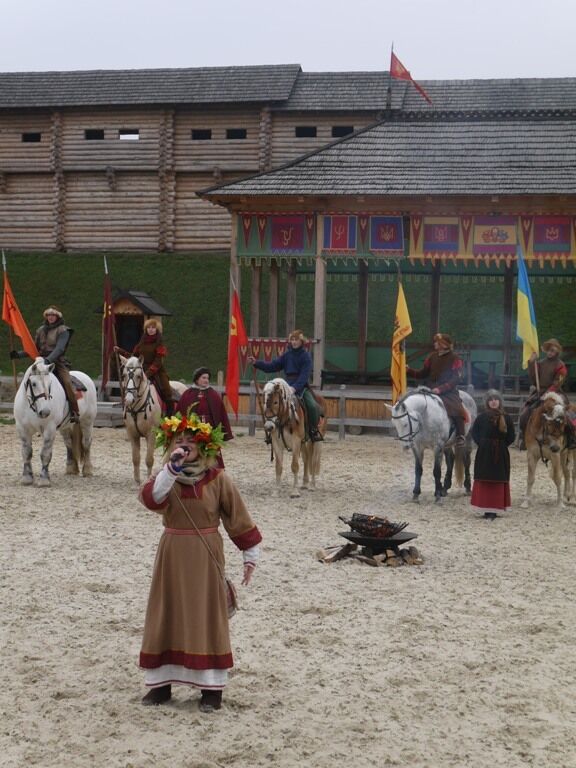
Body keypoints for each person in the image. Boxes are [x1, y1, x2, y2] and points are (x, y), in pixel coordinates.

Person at [138, 409, 262, 711]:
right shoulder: (167, 477)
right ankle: (160, 686)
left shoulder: (218, 479)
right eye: (179, 440)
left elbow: (238, 518)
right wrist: (171, 468)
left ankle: (211, 690)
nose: (184, 444)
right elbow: (152, 499)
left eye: (190, 440)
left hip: (206, 555)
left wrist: (250, 555)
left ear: (204, 445)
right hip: (173, 553)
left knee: (206, 616)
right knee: (167, 613)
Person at [247, 329, 323, 442]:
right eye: (292, 339)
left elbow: (304, 375)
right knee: (273, 404)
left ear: (301, 341)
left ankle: (313, 431)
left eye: (296, 339)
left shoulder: (306, 356)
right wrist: (256, 363)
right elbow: (272, 366)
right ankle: (272, 433)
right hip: (286, 385)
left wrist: (295, 387)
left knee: (312, 406)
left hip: (301, 386)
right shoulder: (287, 355)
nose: (294, 342)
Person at [10, 305, 79, 422]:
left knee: (67, 382)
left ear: (57, 316)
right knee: (30, 381)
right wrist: (18, 354)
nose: (50, 317)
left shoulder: (64, 330)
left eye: (53, 315)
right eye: (48, 315)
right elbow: (34, 349)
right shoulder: (40, 330)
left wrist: (48, 360)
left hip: (57, 362)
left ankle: (74, 411)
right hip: (40, 362)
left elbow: (60, 349)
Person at [406, 333, 466, 445]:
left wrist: (441, 389)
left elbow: (456, 378)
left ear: (443, 344)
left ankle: (460, 435)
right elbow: (423, 373)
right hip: (430, 389)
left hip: (448, 391)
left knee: (457, 408)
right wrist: (409, 370)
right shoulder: (431, 356)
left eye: (437, 342)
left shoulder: (455, 358)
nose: (435, 344)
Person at [518, 338, 576, 449]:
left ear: (557, 352)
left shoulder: (561, 365)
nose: (550, 352)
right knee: (525, 412)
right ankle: (524, 437)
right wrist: (531, 363)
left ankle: (571, 439)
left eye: (553, 351)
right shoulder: (540, 363)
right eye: (549, 350)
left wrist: (548, 393)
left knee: (568, 415)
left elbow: (557, 382)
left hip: (556, 392)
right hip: (540, 392)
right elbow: (534, 380)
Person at [470, 390, 516, 520]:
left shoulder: (506, 417)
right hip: (484, 452)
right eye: (491, 399)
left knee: (498, 478)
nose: (494, 401)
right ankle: (485, 508)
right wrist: (483, 444)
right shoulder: (481, 417)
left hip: (500, 453)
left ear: (500, 401)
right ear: (487, 402)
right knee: (484, 477)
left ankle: (495, 509)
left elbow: (511, 436)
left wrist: (501, 445)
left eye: (496, 399)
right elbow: (475, 433)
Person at [116, 317, 175, 416]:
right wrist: (120, 350)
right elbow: (133, 356)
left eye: (153, 327)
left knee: (167, 391)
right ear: (146, 329)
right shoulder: (142, 342)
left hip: (157, 371)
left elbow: (158, 362)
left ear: (157, 329)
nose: (151, 329)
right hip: (141, 369)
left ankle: (169, 415)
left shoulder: (159, 343)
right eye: (149, 327)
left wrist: (147, 374)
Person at [176, 367, 233, 468]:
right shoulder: (188, 394)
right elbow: (180, 411)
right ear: (197, 379)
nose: (206, 380)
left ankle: (213, 471)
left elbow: (221, 413)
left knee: (210, 449)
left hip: (209, 428)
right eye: (203, 378)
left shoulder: (213, 394)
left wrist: (222, 431)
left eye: (207, 378)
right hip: (192, 428)